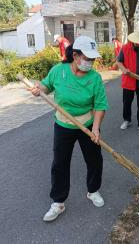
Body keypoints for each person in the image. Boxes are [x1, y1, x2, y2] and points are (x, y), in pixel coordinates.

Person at [29, 36, 109, 222]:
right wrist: (38, 88)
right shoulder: (59, 71)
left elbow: (100, 105)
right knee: (60, 163)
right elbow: (46, 86)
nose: (90, 62)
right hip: (63, 124)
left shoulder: (95, 78)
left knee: (94, 160)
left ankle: (93, 190)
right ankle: (58, 202)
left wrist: (96, 129)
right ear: (75, 55)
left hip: (87, 124)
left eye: (92, 59)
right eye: (87, 58)